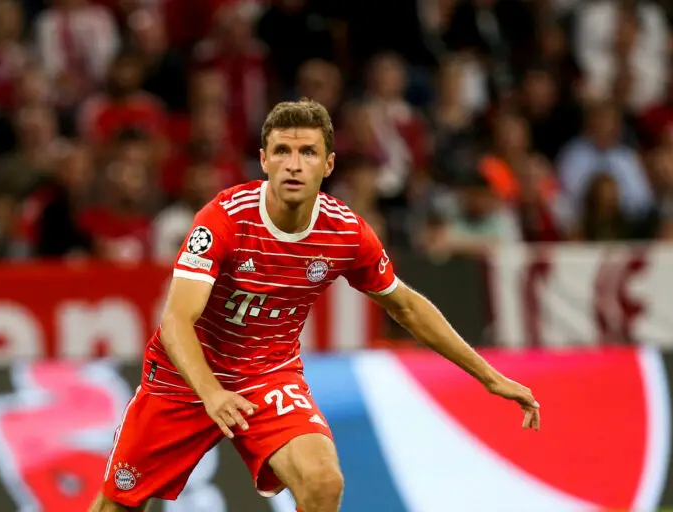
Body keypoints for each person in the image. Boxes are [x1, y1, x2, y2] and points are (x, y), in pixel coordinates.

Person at [90, 99, 541, 512]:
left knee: (324, 483)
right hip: (183, 380)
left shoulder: (346, 233)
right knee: (118, 507)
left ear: (328, 164)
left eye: (308, 152)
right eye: (282, 151)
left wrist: (490, 377)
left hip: (267, 376)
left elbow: (406, 306)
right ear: (264, 160)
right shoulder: (223, 218)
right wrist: (211, 393)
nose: (294, 164)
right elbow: (175, 321)